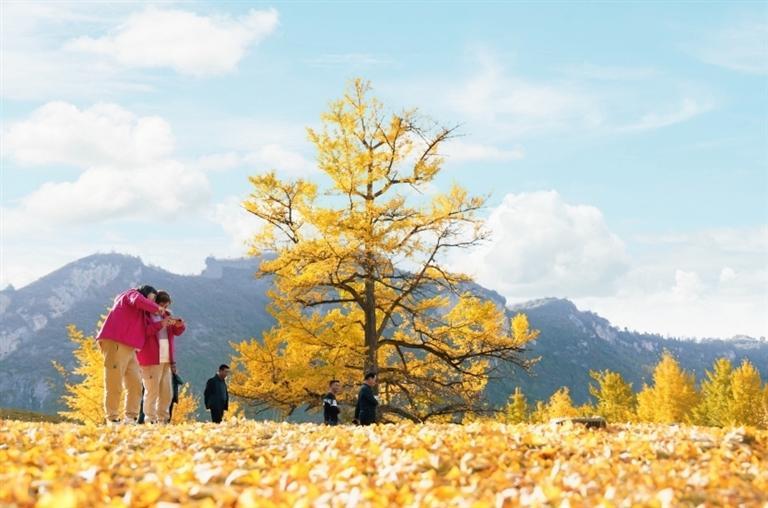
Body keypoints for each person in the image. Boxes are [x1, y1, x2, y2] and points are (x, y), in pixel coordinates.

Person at [96, 285, 162, 425]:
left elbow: (147, 330)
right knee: (114, 382)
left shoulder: (142, 312)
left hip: (131, 348)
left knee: (135, 384)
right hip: (115, 341)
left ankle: (130, 418)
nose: (153, 301)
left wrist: (162, 323)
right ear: (146, 293)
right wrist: (158, 309)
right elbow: (138, 300)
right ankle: (112, 418)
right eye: (153, 297)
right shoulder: (131, 294)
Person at [137, 291, 185, 424]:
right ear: (154, 303)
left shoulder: (166, 315)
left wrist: (180, 325)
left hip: (166, 359)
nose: (164, 308)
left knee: (166, 392)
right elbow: (145, 332)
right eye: (162, 305)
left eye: (166, 305)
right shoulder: (145, 315)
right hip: (151, 358)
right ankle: (150, 420)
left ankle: (163, 419)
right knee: (152, 391)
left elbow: (176, 332)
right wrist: (161, 324)